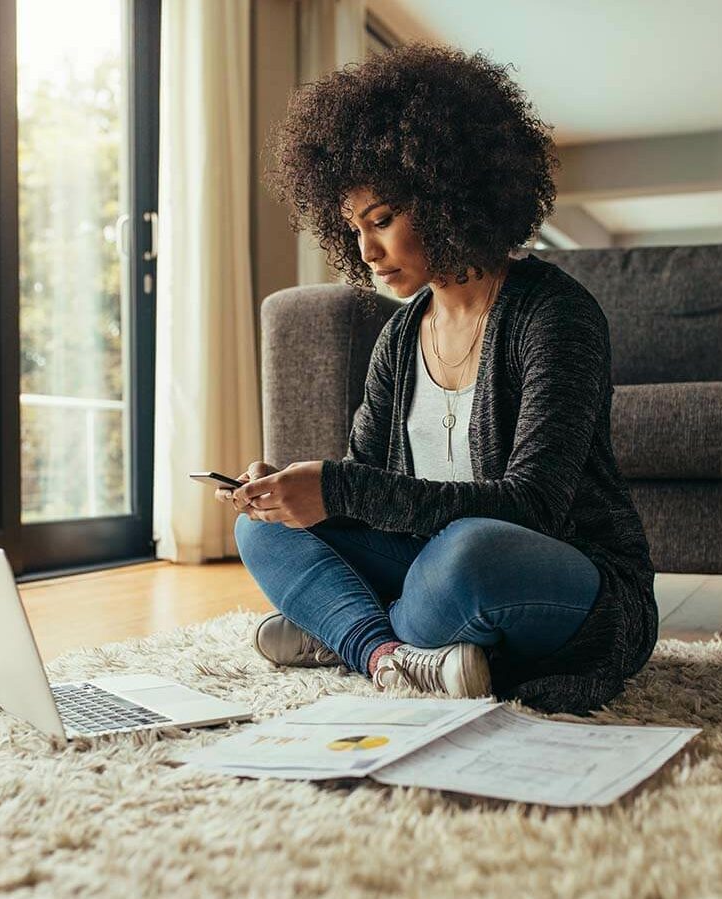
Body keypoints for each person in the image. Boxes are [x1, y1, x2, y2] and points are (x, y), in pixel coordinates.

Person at [216, 43, 658, 715]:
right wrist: (291, 490)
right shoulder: (400, 336)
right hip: (427, 571)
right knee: (262, 530)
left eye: (384, 219)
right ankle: (392, 655)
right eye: (353, 229)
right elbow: (366, 488)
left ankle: (348, 627)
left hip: (559, 578)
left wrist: (337, 487)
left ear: (447, 192)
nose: (366, 251)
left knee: (464, 554)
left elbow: (533, 507)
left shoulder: (555, 315)